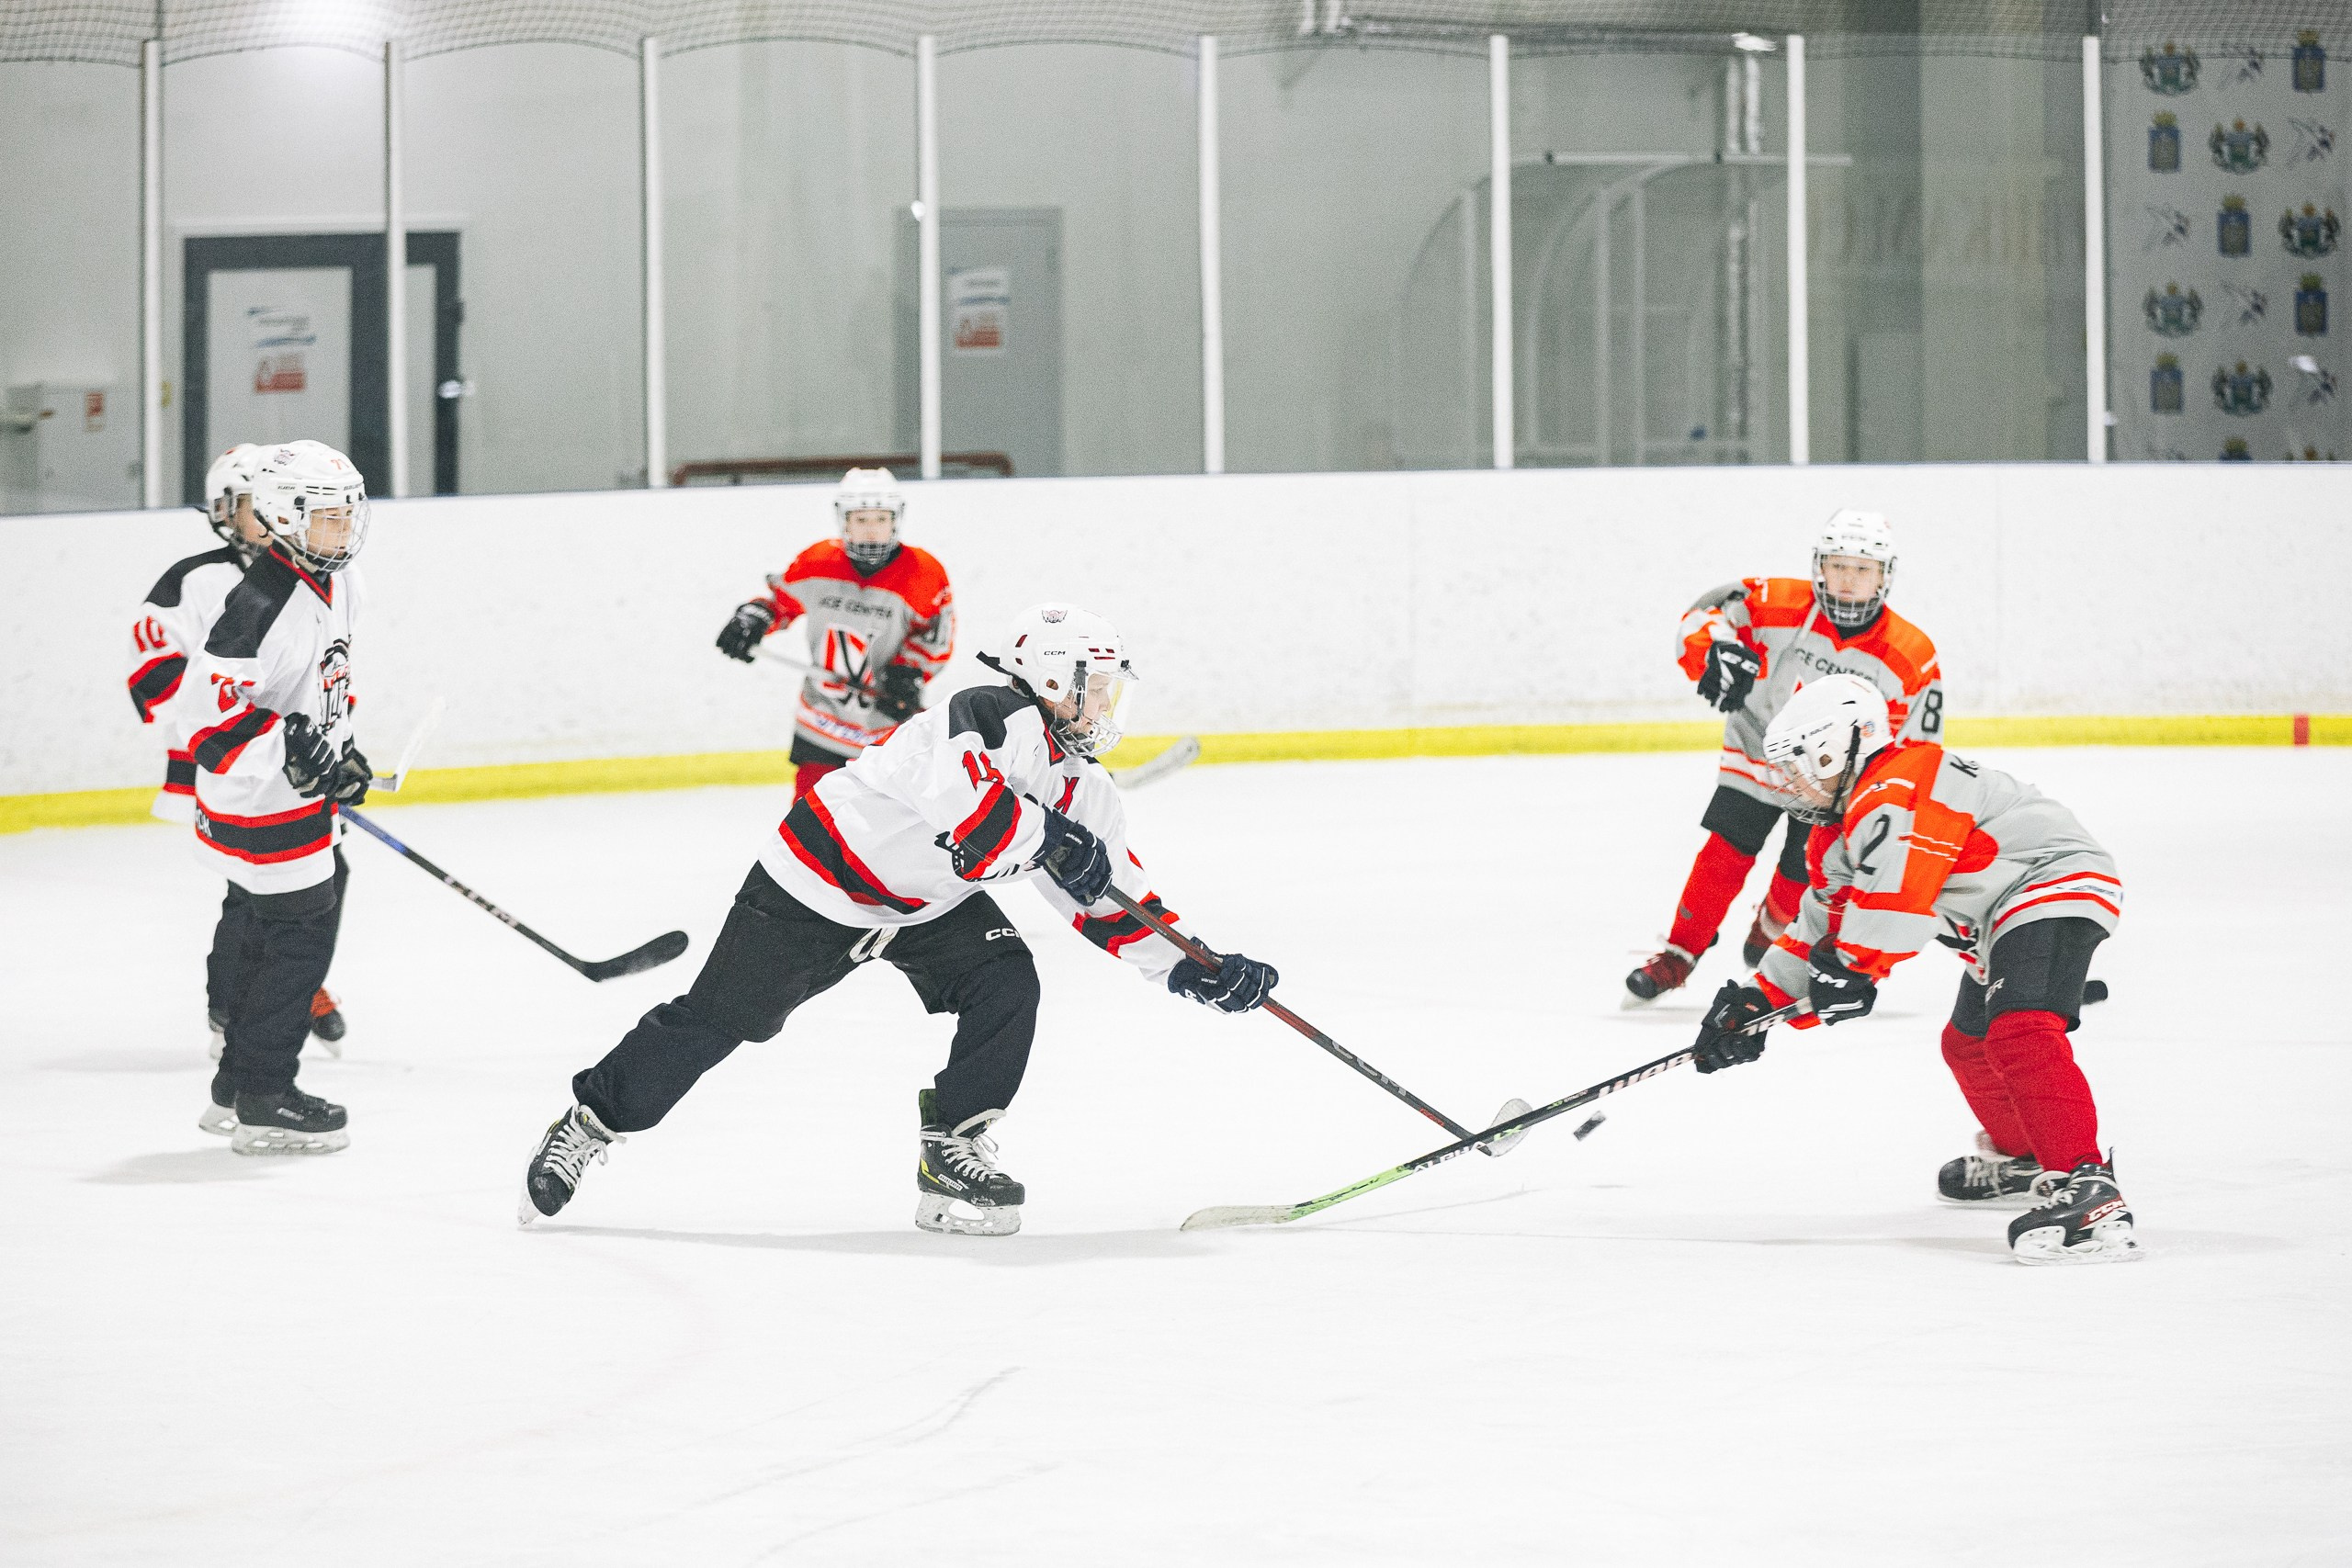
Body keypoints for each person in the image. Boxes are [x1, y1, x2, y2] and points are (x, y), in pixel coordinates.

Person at [522, 603, 1278, 1236]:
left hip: (923, 907)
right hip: (815, 887)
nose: (1106, 707)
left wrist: (1197, 968)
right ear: (1050, 680)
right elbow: (975, 817)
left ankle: (952, 1142)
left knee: (1007, 979)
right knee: (719, 1020)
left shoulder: (1086, 788)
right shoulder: (987, 716)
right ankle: (589, 1121)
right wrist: (1048, 839)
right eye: (1095, 689)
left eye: (1112, 690)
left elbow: (1109, 899)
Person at [1687, 674, 2137, 1266]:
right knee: (1968, 1044)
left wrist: (1854, 969)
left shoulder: (1899, 784)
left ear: (1844, 744)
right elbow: (1823, 926)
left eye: (1802, 759)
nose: (1792, 777)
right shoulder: (1841, 828)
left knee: (2021, 1030)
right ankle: (2026, 1153)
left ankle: (2088, 1186)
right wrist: (1756, 1002)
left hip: (2049, 882)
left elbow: (1896, 898)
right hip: (1999, 912)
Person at [1625, 511, 1943, 1006]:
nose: (1848, 578)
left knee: (1804, 871)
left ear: (1885, 575)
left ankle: (1771, 925)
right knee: (1722, 856)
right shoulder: (1777, 603)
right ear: (1819, 566)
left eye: (1862, 569)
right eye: (1838, 565)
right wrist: (1711, 652)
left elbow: (1915, 746)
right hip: (1757, 751)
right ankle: (1679, 954)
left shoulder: (1910, 653)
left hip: (1831, 783)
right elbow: (1704, 616)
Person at [184, 440, 373, 1154]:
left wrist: (337, 748)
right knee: (299, 940)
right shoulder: (257, 604)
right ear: (286, 517)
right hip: (258, 801)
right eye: (328, 515)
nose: (344, 529)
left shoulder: (338, 580)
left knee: (276, 928)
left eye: (350, 513)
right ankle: (265, 1092)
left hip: (288, 795)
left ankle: (236, 1084)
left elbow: (321, 685)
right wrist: (290, 748)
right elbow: (208, 726)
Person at [133, 444, 352, 1061]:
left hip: (292, 768)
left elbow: (323, 677)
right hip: (233, 768)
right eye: (251, 506)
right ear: (226, 511)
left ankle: (285, 989)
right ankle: (237, 1007)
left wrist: (332, 746)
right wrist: (247, 744)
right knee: (255, 894)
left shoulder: (314, 578)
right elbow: (161, 678)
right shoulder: (197, 580)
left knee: (312, 884)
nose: (263, 519)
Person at [714, 468, 955, 800]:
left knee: (882, 831)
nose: (871, 532)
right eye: (860, 520)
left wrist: (909, 671)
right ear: (844, 521)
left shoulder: (924, 574)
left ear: (896, 520)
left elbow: (935, 638)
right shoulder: (818, 562)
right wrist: (755, 617)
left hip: (885, 727)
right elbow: (781, 604)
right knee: (809, 827)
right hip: (822, 720)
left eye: (880, 520)